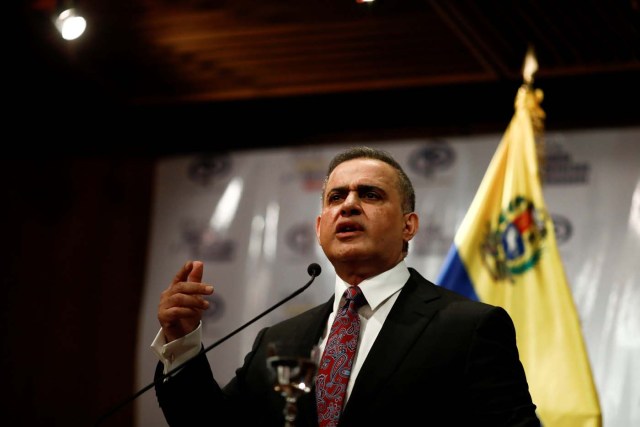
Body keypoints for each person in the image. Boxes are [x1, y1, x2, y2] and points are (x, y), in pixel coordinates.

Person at [151, 146, 539, 426]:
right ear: (320, 229)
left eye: (370, 195)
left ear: (409, 226)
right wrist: (181, 344)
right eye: (337, 197)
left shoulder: (469, 327)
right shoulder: (279, 340)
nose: (349, 205)